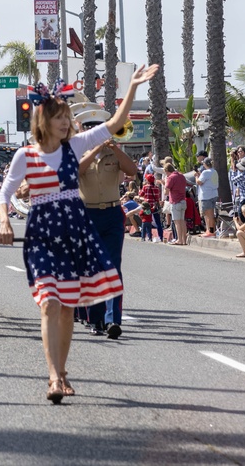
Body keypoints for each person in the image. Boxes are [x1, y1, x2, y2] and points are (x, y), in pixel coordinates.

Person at [0, 64, 159, 404]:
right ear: (44, 120)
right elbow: (4, 194)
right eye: (60, 117)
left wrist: (131, 86)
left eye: (67, 118)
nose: (66, 122)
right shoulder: (23, 156)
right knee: (49, 304)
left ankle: (63, 369)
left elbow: (114, 124)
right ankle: (53, 376)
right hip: (42, 235)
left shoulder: (74, 147)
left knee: (68, 307)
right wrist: (4, 221)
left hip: (74, 233)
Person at [74, 101, 138, 338]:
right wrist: (92, 150)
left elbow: (132, 170)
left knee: (112, 266)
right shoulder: (78, 152)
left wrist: (115, 148)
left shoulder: (113, 153)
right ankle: (96, 319)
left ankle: (113, 320)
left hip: (111, 213)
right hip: (87, 214)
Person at [162, 160, 189, 245]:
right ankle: (184, 240)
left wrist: (165, 183)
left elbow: (166, 192)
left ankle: (179, 240)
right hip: (183, 200)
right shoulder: (181, 176)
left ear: (167, 171)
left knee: (177, 222)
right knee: (182, 221)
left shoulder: (171, 177)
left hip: (175, 201)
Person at [195, 158, 218, 236]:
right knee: (210, 214)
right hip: (213, 194)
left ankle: (210, 231)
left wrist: (196, 177)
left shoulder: (205, 172)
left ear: (205, 164)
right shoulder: (214, 171)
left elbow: (199, 182)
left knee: (208, 215)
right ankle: (211, 230)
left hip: (206, 196)